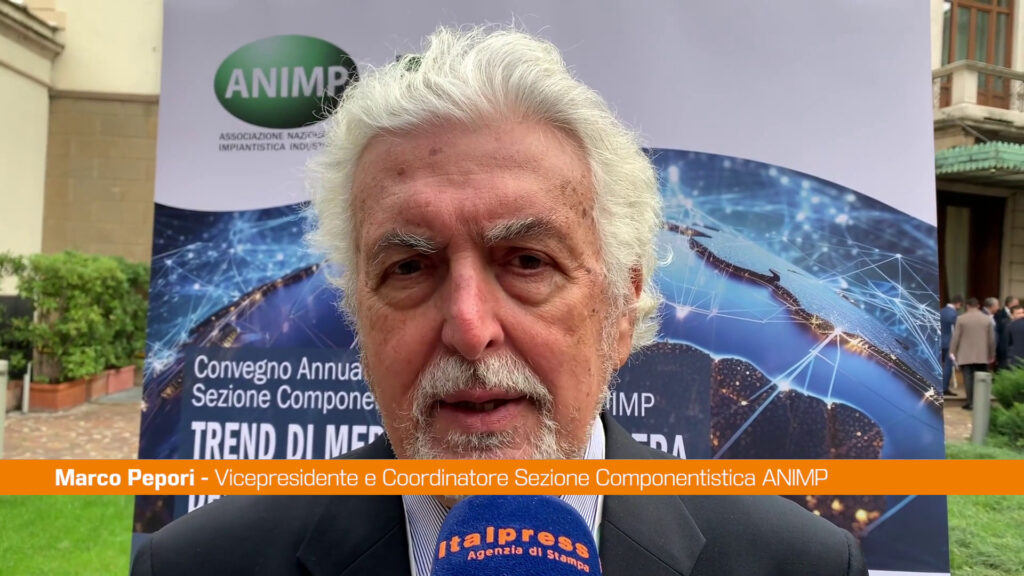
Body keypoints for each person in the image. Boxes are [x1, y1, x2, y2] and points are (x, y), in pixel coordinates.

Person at [131, 26, 867, 576]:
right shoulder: (197, 564)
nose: (470, 327)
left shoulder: (798, 565)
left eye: (527, 262)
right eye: (410, 267)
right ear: (359, 314)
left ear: (623, 306)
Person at [950, 297, 996, 410]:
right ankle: (980, 402)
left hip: (965, 355)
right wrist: (992, 354)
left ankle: (970, 402)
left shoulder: (961, 318)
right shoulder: (987, 319)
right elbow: (991, 339)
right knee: (981, 379)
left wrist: (952, 351)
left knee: (968, 379)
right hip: (982, 355)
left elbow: (956, 337)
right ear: (978, 306)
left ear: (967, 306)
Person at [939, 295, 963, 396]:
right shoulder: (954, 314)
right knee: (948, 366)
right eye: (960, 305)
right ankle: (944, 388)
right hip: (949, 343)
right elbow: (957, 330)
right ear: (958, 303)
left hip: (939, 341)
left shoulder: (941, 311)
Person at [994, 296, 1019, 371]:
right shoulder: (999, 315)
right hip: (1002, 353)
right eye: (1016, 304)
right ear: (1009, 304)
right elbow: (998, 335)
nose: (1018, 305)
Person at [1007, 304, 1024, 368]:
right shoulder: (1008, 326)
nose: (1022, 315)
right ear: (1011, 315)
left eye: (1022, 312)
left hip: (1014, 359)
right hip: (1015, 359)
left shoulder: (1009, 326)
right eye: (1018, 313)